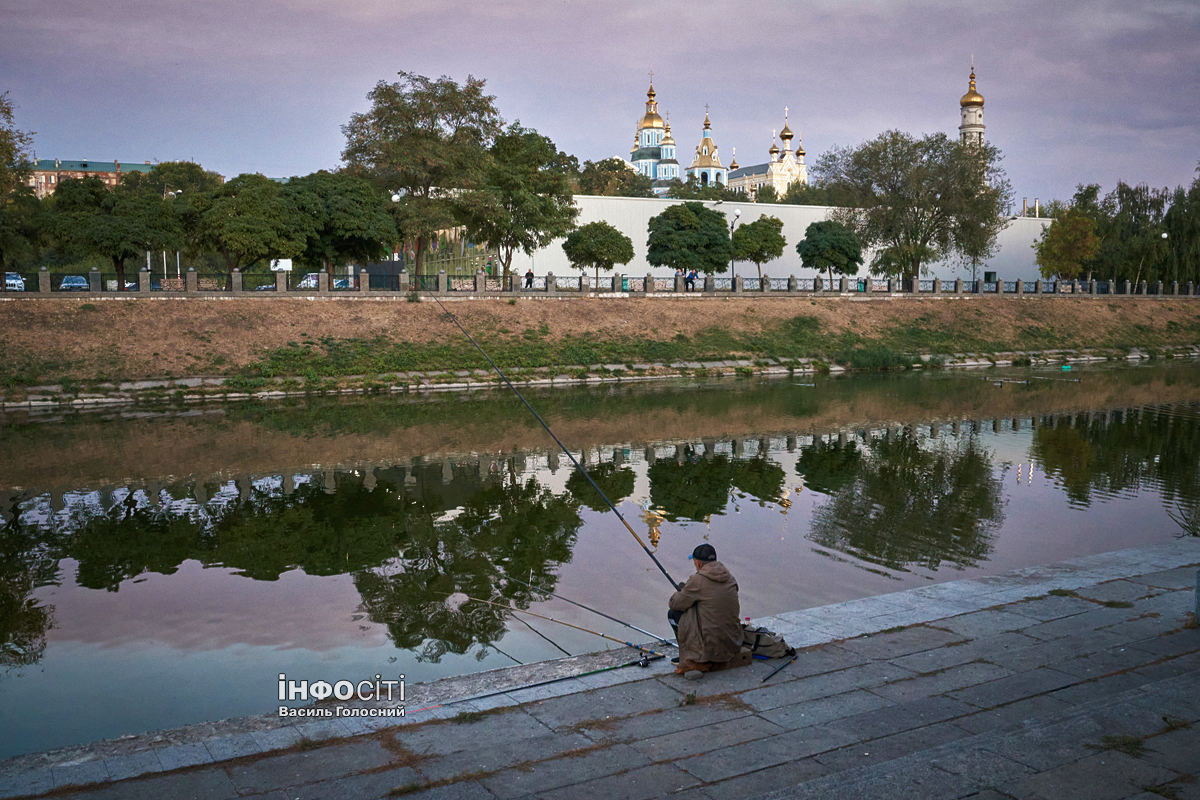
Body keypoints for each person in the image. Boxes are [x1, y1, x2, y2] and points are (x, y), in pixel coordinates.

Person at [668, 544, 742, 674]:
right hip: (733, 641)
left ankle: (689, 655)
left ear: (698, 564)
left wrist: (677, 594)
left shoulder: (697, 580)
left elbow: (675, 604)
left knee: (673, 614)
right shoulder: (730, 577)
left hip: (711, 646)